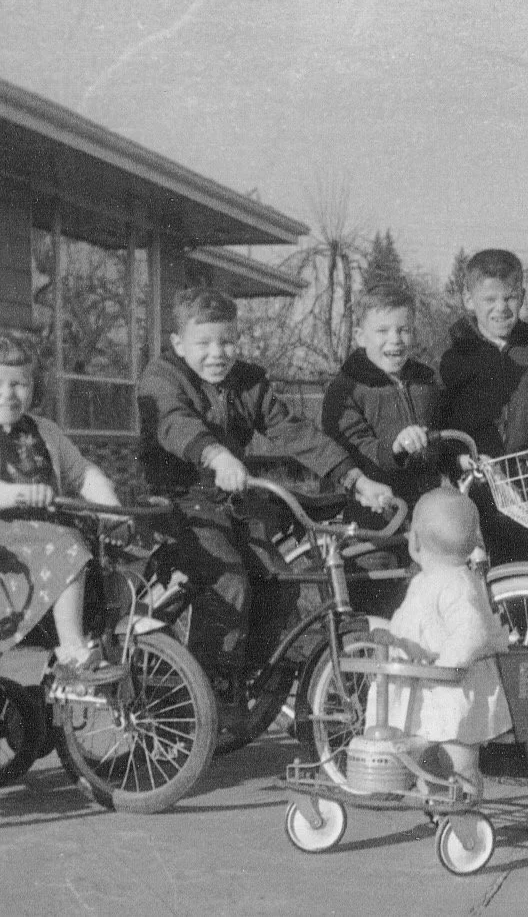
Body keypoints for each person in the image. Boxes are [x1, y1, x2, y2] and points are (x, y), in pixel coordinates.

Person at [136, 286, 395, 724]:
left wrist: (354, 479)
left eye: (228, 342)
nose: (218, 353)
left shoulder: (247, 382)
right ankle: (206, 692)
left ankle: (248, 675)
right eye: (205, 343)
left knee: (282, 577)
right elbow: (173, 423)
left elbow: (292, 431)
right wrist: (214, 455)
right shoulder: (162, 378)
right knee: (229, 582)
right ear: (179, 345)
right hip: (176, 503)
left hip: (228, 502)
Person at [0, 327, 126, 689]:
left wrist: (110, 508)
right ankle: (71, 651)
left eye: (19, 385)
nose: (7, 395)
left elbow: (81, 471)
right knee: (69, 546)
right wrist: (16, 495)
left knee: (112, 548)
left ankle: (111, 638)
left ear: (34, 387)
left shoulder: (46, 430)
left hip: (47, 534)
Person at [439, 248, 528, 564]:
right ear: (469, 300)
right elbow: (441, 422)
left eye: (509, 298)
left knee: (522, 580)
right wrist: (456, 460)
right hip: (469, 486)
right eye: (489, 300)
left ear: (521, 296)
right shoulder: (454, 359)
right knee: (469, 581)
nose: (500, 308)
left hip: (522, 487)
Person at [369, 488, 512, 801]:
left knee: (458, 762)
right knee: (430, 762)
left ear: (415, 542)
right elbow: (413, 625)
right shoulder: (424, 581)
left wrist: (448, 665)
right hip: (431, 687)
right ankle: (441, 808)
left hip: (456, 689)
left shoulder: (459, 583)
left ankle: (467, 813)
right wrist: (392, 637)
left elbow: (472, 632)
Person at [321, 284, 444, 614]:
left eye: (404, 329)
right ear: (360, 336)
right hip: (373, 515)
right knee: (376, 604)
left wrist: (451, 454)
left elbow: (440, 435)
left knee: (427, 601)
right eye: (383, 331)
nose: (396, 339)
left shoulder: (426, 380)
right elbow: (353, 444)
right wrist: (395, 447)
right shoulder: (347, 388)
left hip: (423, 512)